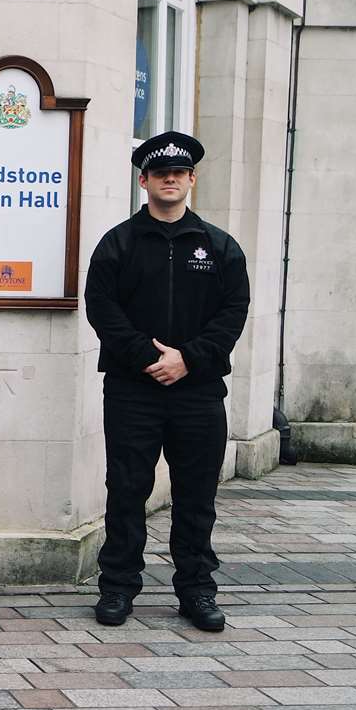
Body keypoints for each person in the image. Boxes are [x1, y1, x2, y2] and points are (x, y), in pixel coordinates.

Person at [85, 131, 250, 632]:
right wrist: (146, 358)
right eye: (161, 174)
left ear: (192, 180)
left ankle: (197, 591)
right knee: (127, 491)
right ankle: (117, 589)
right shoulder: (118, 244)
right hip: (133, 391)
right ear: (144, 181)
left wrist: (189, 360)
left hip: (198, 393)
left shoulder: (219, 247)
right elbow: (102, 309)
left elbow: (233, 312)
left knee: (197, 497)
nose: (170, 180)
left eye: (179, 173)